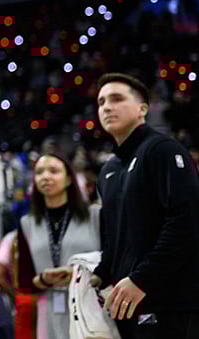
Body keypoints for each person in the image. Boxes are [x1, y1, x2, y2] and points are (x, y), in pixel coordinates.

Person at [92, 72, 199, 338]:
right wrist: (99, 275)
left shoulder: (163, 150)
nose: (106, 107)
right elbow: (113, 238)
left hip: (168, 301)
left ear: (142, 109)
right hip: (125, 301)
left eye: (116, 99)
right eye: (101, 101)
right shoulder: (108, 169)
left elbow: (186, 222)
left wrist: (142, 279)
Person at [14, 150, 100, 339]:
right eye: (39, 172)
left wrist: (78, 274)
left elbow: (110, 262)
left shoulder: (95, 214)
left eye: (53, 171)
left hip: (91, 306)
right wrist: (45, 279)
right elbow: (25, 281)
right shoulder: (27, 223)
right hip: (49, 311)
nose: (45, 176)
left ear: (69, 179)